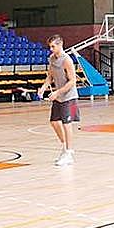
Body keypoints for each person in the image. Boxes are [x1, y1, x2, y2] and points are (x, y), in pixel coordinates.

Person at [38, 35, 79, 166]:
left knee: (67, 124)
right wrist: (43, 87)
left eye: (53, 46)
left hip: (69, 96)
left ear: (60, 45)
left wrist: (57, 92)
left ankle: (69, 152)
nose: (51, 49)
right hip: (58, 96)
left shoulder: (67, 60)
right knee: (54, 122)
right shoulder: (51, 59)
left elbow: (73, 81)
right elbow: (50, 76)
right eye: (50, 46)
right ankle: (64, 146)